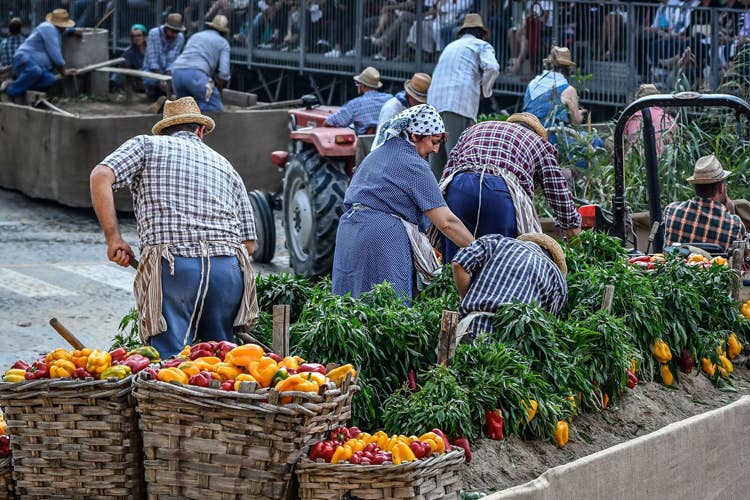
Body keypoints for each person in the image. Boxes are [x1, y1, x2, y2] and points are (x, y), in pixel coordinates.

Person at [89, 97, 259, 358]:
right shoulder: (225, 164)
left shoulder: (146, 145)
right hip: (227, 271)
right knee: (221, 360)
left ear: (164, 128)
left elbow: (101, 175)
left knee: (171, 360)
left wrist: (114, 238)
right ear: (200, 131)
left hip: (175, 268)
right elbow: (249, 244)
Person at [332, 104, 474, 302]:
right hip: (382, 237)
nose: (435, 149)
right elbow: (446, 222)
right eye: (433, 141)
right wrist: (476, 248)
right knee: (389, 309)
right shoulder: (414, 164)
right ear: (415, 136)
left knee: (349, 305)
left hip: (349, 233)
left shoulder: (376, 155)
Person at [439, 113, 582, 263]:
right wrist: (575, 239)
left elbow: (447, 174)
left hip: (459, 187)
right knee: (500, 265)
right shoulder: (538, 143)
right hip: (499, 193)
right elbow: (559, 195)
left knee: (456, 263)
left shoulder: (472, 130)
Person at [452, 232, 568, 340]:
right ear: (553, 260)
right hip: (513, 349)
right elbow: (545, 328)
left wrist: (466, 298)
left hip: (471, 329)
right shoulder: (557, 280)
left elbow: (459, 264)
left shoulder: (496, 242)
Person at [427, 13, 499, 179]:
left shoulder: (451, 46)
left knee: (436, 164)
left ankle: (432, 203)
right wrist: (484, 90)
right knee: (457, 161)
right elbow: (493, 68)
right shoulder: (481, 45)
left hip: (435, 105)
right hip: (458, 103)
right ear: (481, 34)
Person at [664, 154, 747, 252]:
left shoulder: (671, 211)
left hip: (676, 266)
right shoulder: (735, 226)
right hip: (713, 267)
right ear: (721, 187)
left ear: (695, 187)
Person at [2, 9, 76, 98]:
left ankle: (18, 85)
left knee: (50, 79)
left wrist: (73, 31)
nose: (65, 28)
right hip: (24, 59)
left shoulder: (55, 31)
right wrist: (63, 71)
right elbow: (55, 54)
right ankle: (11, 92)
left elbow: (63, 32)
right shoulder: (49, 28)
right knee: (35, 71)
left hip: (36, 66)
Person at [172, 15, 231, 111]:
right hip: (196, 74)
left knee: (184, 109)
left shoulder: (196, 35)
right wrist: (219, 90)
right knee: (215, 107)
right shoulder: (223, 43)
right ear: (224, 31)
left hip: (177, 71)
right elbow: (224, 73)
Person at [523, 46, 584, 128]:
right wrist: (579, 115)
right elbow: (576, 122)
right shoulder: (568, 90)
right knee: (596, 140)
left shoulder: (533, 83)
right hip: (550, 135)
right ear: (568, 68)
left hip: (529, 131)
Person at [324, 66, 393, 135]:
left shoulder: (355, 104)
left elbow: (330, 122)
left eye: (358, 83)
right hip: (387, 139)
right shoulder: (390, 98)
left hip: (366, 143)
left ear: (362, 85)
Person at [623, 83, 677, 157]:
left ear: (638, 99)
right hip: (663, 163)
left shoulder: (630, 116)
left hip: (637, 161)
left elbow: (622, 141)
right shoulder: (668, 118)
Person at [142, 13, 186, 100]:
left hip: (168, 72)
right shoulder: (153, 33)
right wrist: (160, 78)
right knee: (151, 83)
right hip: (151, 71)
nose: (175, 34)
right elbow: (152, 58)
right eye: (173, 31)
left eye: (177, 31)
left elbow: (173, 58)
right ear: (167, 28)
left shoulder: (180, 37)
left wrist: (167, 78)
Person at [374, 72, 431, 138]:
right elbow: (383, 139)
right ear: (410, 95)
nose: (421, 105)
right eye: (418, 101)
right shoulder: (391, 109)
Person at [111, 24, 148, 92]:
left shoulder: (151, 49)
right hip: (137, 80)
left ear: (144, 36)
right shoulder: (128, 52)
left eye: (139, 35)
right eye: (134, 36)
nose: (136, 38)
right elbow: (124, 69)